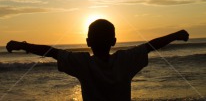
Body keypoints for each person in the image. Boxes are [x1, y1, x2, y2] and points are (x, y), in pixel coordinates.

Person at [6, 19, 189, 101]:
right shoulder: (125, 60)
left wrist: (23, 45)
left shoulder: (83, 63)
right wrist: (176, 34)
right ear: (114, 42)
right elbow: (151, 45)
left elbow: (52, 52)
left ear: (87, 42)